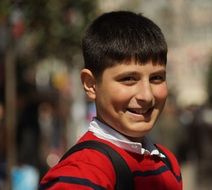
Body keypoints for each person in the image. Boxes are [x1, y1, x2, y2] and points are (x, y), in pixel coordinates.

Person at [39, 10, 182, 190]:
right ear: (91, 85)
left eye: (156, 78)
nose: (146, 95)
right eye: (129, 79)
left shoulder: (167, 162)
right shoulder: (80, 176)